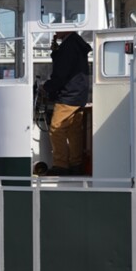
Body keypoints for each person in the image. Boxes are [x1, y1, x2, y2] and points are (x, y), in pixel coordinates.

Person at [43, 31, 91, 176]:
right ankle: (76, 163)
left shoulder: (68, 46)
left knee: (56, 129)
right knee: (73, 130)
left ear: (67, 29)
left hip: (68, 95)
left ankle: (60, 165)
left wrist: (47, 88)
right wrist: (56, 52)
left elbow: (61, 73)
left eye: (59, 27)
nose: (55, 31)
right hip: (80, 95)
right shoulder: (76, 44)